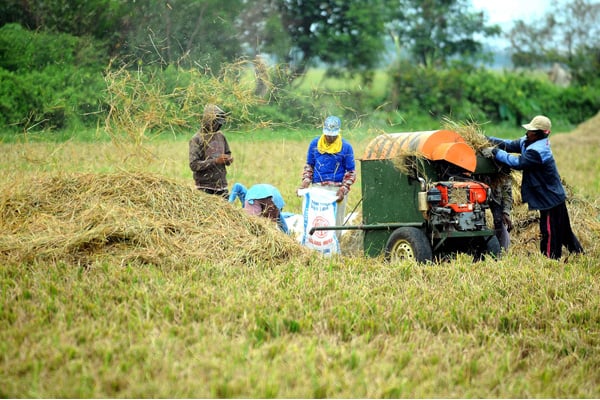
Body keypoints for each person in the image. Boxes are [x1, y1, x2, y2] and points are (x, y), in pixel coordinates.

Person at [482, 115, 584, 260]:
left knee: (549, 230)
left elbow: (517, 162)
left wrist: (495, 153)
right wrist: (487, 139)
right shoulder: (528, 141)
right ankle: (578, 254)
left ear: (538, 134)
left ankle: (550, 259)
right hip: (552, 194)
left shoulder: (538, 151)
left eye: (530, 131)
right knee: (563, 229)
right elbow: (510, 144)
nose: (527, 133)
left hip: (549, 197)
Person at [299, 115, 356, 232]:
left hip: (336, 190)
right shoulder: (315, 144)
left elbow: (351, 172)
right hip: (318, 188)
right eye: (327, 134)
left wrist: (343, 189)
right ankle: (314, 247)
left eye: (333, 135)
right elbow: (310, 165)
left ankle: (334, 247)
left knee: (335, 223)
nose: (330, 137)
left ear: (338, 132)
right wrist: (306, 181)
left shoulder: (346, 147)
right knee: (317, 220)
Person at [188, 104, 233, 199]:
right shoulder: (197, 139)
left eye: (219, 123)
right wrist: (216, 161)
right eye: (215, 123)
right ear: (208, 121)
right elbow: (194, 165)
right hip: (205, 189)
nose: (218, 125)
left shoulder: (221, 136)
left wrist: (228, 159)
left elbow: (228, 153)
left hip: (222, 188)